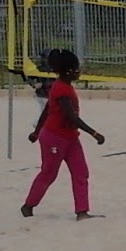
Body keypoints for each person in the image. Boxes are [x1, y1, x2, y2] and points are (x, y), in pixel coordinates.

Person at [20, 48, 106, 218]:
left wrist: (36, 132)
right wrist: (94, 133)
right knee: (49, 173)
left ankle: (82, 212)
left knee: (81, 172)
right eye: (76, 69)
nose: (79, 72)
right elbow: (71, 117)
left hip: (70, 137)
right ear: (67, 71)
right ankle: (28, 206)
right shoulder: (61, 89)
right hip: (55, 138)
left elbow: (47, 110)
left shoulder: (62, 86)